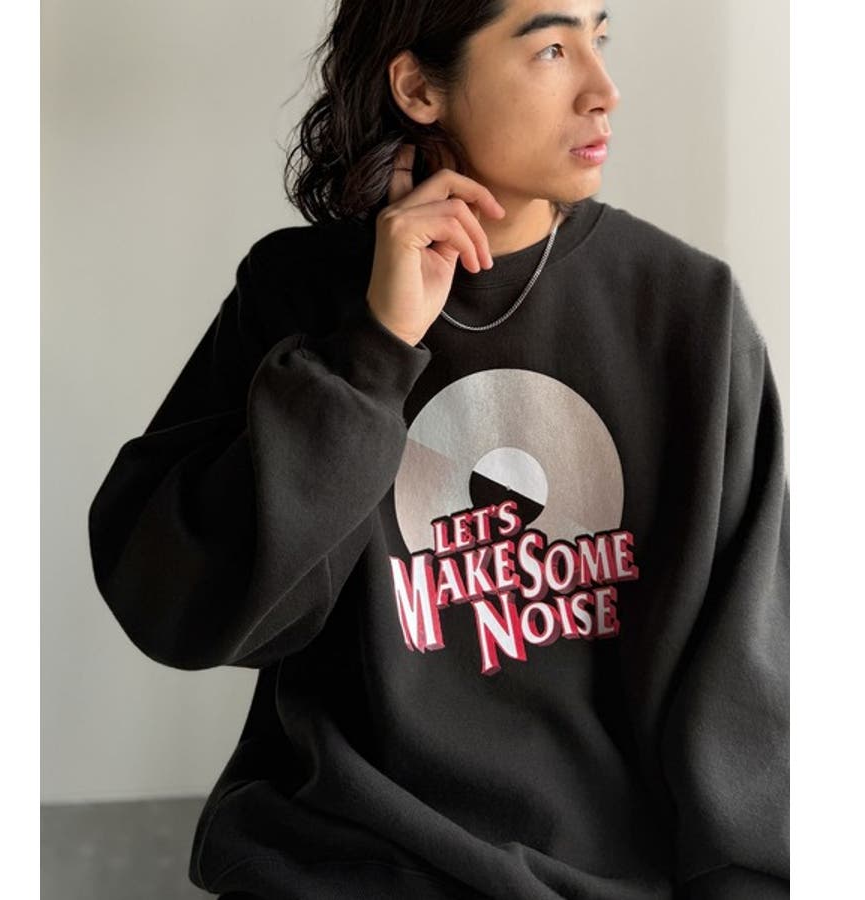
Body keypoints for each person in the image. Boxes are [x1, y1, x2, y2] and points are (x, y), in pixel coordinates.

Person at [87, 1, 790, 897]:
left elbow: (749, 679)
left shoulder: (691, 314)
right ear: (420, 87)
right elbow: (182, 609)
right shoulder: (300, 295)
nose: (604, 90)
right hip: (335, 866)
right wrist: (374, 351)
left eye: (599, 38)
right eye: (551, 48)